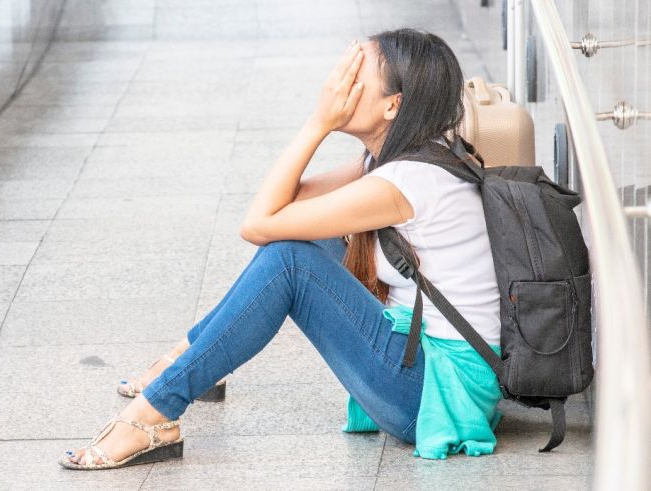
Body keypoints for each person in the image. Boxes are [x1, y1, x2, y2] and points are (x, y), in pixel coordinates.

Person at [59, 28, 503, 470]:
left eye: (354, 76)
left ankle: (154, 413)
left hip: (433, 393)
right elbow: (283, 206)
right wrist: (320, 122)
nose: (335, 86)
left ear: (393, 105)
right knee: (301, 240)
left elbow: (257, 225)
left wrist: (319, 123)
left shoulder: (407, 180)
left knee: (290, 261)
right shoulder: (398, 158)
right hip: (425, 364)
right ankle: (190, 358)